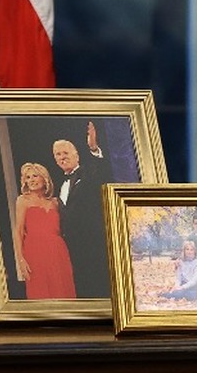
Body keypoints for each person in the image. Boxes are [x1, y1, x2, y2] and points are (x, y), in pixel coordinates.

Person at [53, 121, 114, 298]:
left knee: (99, 287)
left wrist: (94, 148)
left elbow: (103, 170)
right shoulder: (58, 184)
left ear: (77, 155)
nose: (62, 157)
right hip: (70, 248)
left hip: (93, 244)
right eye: (58, 154)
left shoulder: (90, 173)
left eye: (65, 153)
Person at [12, 162, 76, 299]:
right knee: (40, 293)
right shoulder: (23, 200)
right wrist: (21, 260)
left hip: (58, 251)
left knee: (63, 291)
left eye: (35, 176)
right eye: (28, 177)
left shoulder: (55, 202)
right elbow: (18, 231)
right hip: (34, 252)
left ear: (44, 178)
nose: (31, 180)